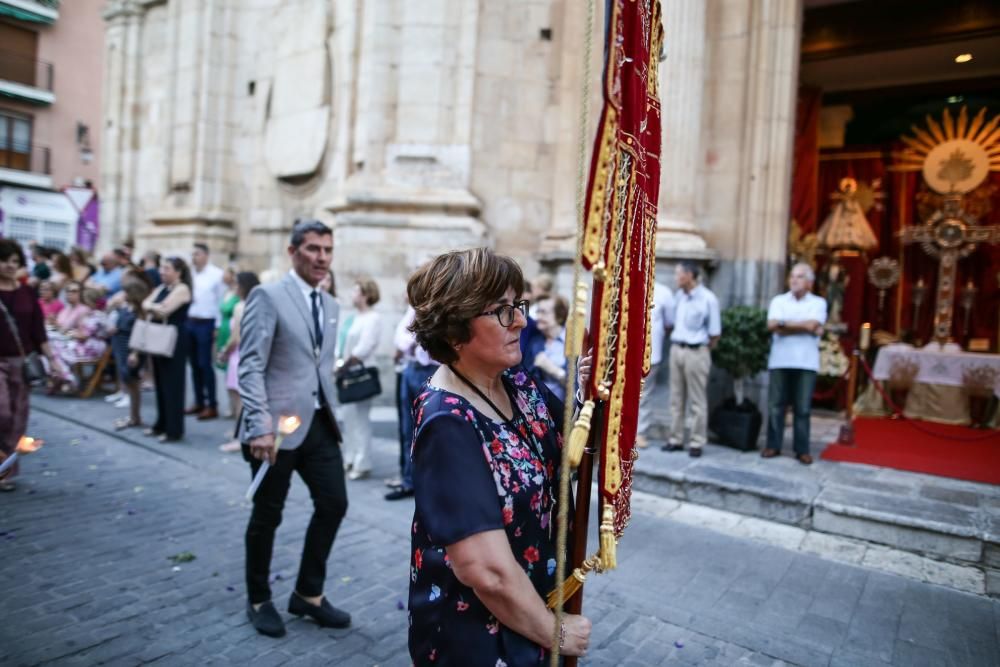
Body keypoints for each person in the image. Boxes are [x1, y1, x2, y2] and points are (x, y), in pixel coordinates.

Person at [405, 247, 592, 663]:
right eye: (503, 310)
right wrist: (553, 632)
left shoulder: (518, 384)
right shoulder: (447, 422)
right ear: (455, 328)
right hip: (477, 636)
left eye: (519, 305)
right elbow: (483, 570)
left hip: (532, 609)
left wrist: (589, 390)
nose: (521, 320)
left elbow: (568, 456)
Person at [237, 219, 349, 638]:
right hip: (275, 430)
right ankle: (258, 598)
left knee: (334, 503)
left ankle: (308, 594)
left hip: (320, 425)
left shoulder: (332, 305)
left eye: (328, 250)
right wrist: (259, 427)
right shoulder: (268, 296)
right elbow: (250, 365)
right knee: (268, 514)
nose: (322, 257)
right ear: (293, 252)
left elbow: (320, 366)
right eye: (314, 249)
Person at [0, 239, 62, 491]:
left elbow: (39, 331)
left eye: (15, 261)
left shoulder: (26, 293)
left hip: (22, 362)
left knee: (17, 419)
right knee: (1, 412)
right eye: (5, 260)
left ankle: (5, 473)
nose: (10, 265)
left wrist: (53, 361)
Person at [762, 263, 827, 465]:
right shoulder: (779, 301)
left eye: (799, 277)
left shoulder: (818, 303)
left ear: (809, 282)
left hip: (806, 362)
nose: (794, 280)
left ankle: (802, 449)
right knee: (775, 405)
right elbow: (772, 325)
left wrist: (785, 324)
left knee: (802, 408)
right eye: (792, 276)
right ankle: (773, 444)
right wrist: (802, 326)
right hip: (780, 360)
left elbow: (813, 324)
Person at [663, 261, 721, 458]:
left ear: (689, 275)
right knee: (676, 398)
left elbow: (715, 333)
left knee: (697, 399)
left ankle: (696, 441)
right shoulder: (679, 296)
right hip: (677, 348)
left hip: (697, 351)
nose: (676, 277)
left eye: (678, 273)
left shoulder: (708, 299)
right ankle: (675, 438)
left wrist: (701, 349)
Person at [385, 305, 438, 501]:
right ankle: (409, 481)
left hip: (433, 370)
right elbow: (399, 337)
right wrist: (415, 341)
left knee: (432, 431)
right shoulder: (414, 308)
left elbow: (436, 338)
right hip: (411, 369)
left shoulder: (445, 301)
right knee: (409, 431)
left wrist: (414, 341)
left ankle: (432, 484)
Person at [142, 256, 192, 443]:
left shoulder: (182, 289)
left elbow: (165, 311)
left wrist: (153, 307)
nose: (162, 272)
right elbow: (145, 304)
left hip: (174, 340)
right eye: (162, 268)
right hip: (159, 337)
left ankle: (174, 430)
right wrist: (155, 307)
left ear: (178, 272)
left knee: (173, 384)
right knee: (161, 383)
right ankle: (160, 424)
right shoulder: (163, 288)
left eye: (167, 269)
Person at [337, 277, 383, 480]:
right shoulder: (352, 318)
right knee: (348, 417)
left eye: (356, 291)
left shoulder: (373, 318)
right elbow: (342, 344)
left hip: (361, 372)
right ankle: (349, 457)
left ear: (366, 295)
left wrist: (344, 364)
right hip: (346, 372)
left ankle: (362, 462)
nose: (352, 295)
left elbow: (365, 347)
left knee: (361, 418)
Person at [217, 271, 259, 452]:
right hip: (249, 354)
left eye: (236, 284)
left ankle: (240, 437)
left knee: (238, 398)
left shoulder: (241, 307)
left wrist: (225, 351)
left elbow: (236, 337)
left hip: (238, 355)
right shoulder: (257, 304)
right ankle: (240, 432)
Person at [185, 243, 225, 420]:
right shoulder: (190, 274)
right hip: (191, 321)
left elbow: (220, 301)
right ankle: (198, 401)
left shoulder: (216, 275)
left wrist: (217, 325)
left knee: (204, 364)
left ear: (206, 255)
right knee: (193, 364)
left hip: (207, 323)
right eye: (192, 254)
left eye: (198, 254)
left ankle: (212, 404)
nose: (194, 258)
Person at [110, 272, 154, 430]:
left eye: (127, 292)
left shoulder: (141, 311)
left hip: (131, 347)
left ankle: (136, 416)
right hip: (120, 344)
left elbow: (142, 332)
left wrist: (135, 353)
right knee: (127, 379)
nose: (124, 294)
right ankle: (134, 416)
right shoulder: (126, 306)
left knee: (132, 380)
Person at [636, 281, 674, 448]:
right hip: (626, 352)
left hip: (652, 353)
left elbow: (669, 323)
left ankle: (640, 432)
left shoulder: (664, 292)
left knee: (644, 395)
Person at [49, 287, 108, 393]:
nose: (83, 302)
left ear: (90, 301)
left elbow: (84, 336)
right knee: (53, 346)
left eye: (84, 300)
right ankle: (66, 376)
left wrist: (69, 333)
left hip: (91, 346)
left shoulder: (97, 315)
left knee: (55, 348)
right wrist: (70, 333)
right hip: (83, 343)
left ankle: (65, 376)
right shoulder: (90, 314)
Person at [531, 294, 569, 401]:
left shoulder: (573, 343)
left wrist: (554, 371)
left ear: (559, 316)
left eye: (543, 312)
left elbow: (578, 386)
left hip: (566, 411)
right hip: (541, 408)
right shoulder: (535, 342)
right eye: (538, 311)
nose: (538, 317)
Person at [215, 265, 242, 417]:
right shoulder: (227, 292)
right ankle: (232, 408)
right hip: (224, 329)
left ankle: (235, 410)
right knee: (227, 373)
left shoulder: (238, 300)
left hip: (232, 331)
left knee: (233, 373)